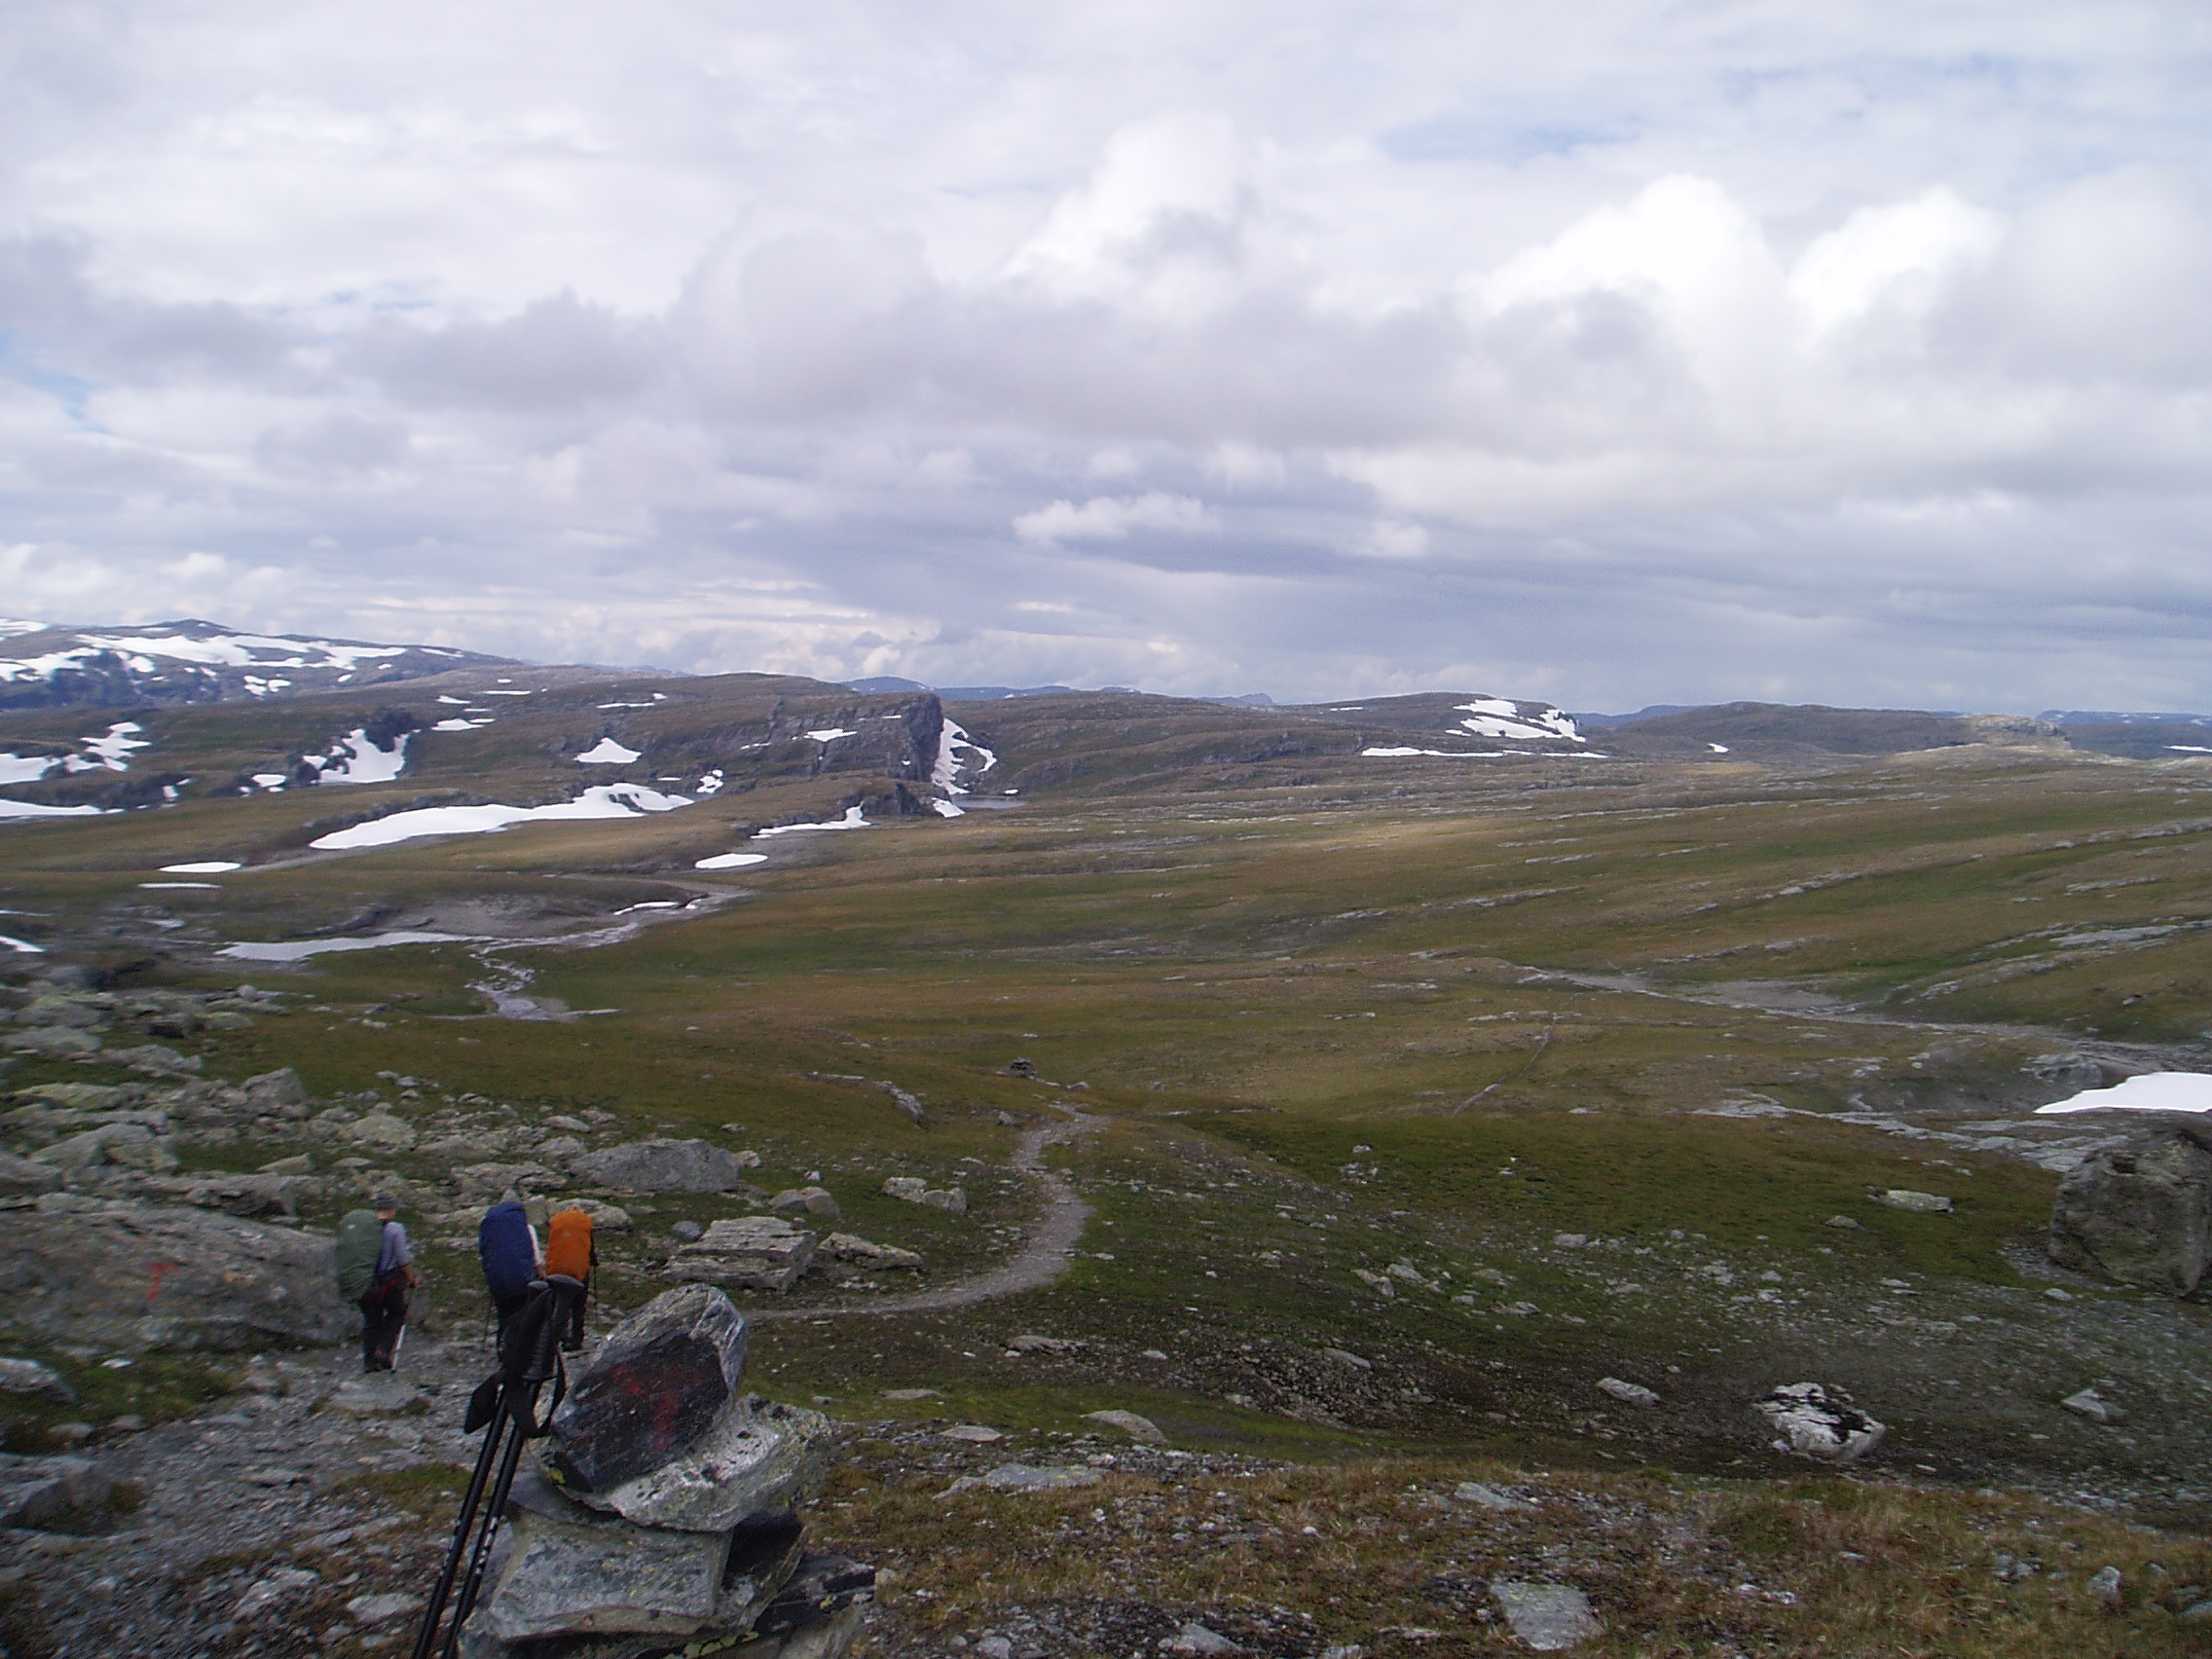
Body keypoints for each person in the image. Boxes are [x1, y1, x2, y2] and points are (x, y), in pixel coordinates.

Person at [360, 1192, 420, 1372]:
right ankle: (383, 1350)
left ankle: (369, 1361)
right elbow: (402, 1258)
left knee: (372, 1320)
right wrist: (411, 1279)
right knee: (397, 1313)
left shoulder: (365, 1227)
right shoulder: (395, 1229)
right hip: (387, 1282)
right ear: (392, 1209)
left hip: (364, 1282)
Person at [478, 1198, 543, 1346]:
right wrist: (542, 1275)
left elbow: (484, 1251)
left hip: (498, 1279)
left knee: (504, 1315)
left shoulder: (491, 1228)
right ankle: (518, 1352)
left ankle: (502, 1346)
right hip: (522, 1279)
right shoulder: (527, 1229)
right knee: (521, 1314)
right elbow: (536, 1257)